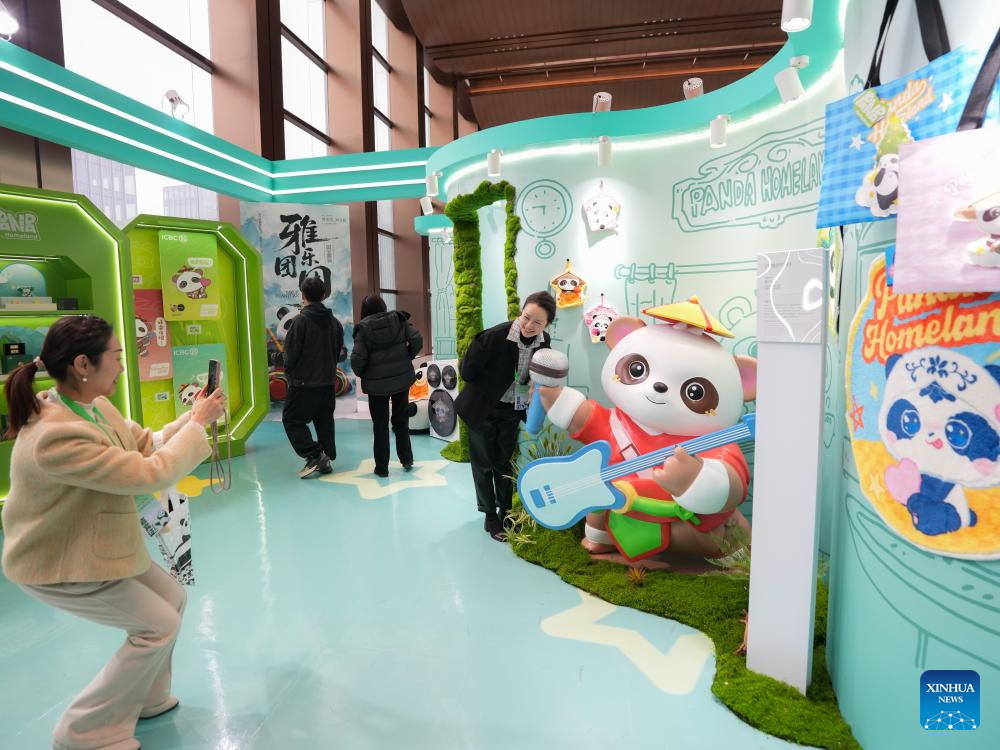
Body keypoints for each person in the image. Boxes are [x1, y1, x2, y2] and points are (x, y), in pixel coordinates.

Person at [1, 315, 226, 750]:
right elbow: (147, 474)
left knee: (172, 598)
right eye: (118, 356)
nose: (123, 366)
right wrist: (198, 426)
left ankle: (146, 696)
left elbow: (144, 445)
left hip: (97, 545)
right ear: (83, 364)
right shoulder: (56, 435)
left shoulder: (94, 406)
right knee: (158, 626)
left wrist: (193, 417)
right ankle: (83, 731)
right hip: (58, 561)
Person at [455, 291, 555, 540]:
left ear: (547, 324)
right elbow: (467, 372)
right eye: (526, 317)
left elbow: (541, 371)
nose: (529, 326)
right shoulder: (494, 336)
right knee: (484, 464)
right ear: (521, 311)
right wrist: (492, 381)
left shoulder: (544, 341)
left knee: (504, 462)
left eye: (538, 322)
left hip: (512, 408)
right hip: (483, 408)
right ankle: (490, 515)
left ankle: (506, 511)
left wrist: (532, 384)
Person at [351, 294, 423, 477]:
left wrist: (365, 373)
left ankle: (382, 468)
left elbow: (357, 360)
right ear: (383, 305)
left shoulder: (363, 329)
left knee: (380, 426)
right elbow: (417, 339)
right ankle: (406, 459)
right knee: (401, 421)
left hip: (376, 387)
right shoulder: (399, 319)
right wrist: (407, 356)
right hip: (401, 380)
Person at [282, 275, 345, 478]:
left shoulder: (300, 322)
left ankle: (315, 454)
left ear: (302, 295)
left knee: (292, 420)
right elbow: (338, 352)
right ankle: (326, 458)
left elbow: (290, 355)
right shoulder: (335, 323)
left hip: (303, 383)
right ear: (323, 295)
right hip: (327, 382)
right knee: (324, 421)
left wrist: (289, 372)